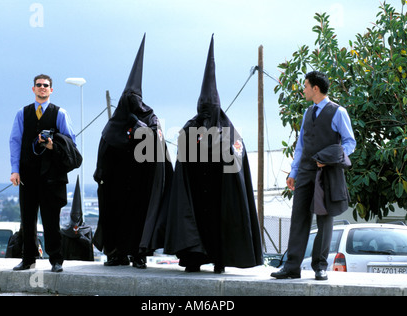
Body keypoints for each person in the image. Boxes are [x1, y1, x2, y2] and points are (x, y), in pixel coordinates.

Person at [164, 35, 263, 273]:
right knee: (195, 223)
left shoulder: (229, 130)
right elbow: (182, 159)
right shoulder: (191, 127)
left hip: (220, 192)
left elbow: (237, 161)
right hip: (196, 192)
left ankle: (220, 260)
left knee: (219, 225)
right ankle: (195, 258)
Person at [93, 35, 173, 269]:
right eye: (129, 99)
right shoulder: (116, 121)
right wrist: (101, 171)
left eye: (135, 99)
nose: (132, 103)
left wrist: (145, 130)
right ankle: (116, 254)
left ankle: (139, 254)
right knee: (114, 217)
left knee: (140, 218)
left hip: (142, 181)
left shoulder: (151, 118)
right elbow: (105, 145)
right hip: (117, 182)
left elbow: (158, 145)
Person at [271, 71, 356, 280]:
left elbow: (349, 143)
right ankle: (292, 267)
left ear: (315, 89)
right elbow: (300, 145)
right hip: (306, 172)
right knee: (298, 217)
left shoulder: (339, 112)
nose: (304, 90)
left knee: (325, 220)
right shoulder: (307, 113)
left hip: (328, 174)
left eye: (306, 86)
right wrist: (293, 171)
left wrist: (330, 157)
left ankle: (320, 266)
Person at [9, 74, 78, 273]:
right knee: (27, 219)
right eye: (38, 85)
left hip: (52, 176)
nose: (42, 88)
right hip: (28, 174)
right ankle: (28, 258)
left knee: (51, 220)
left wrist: (52, 144)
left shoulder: (60, 114)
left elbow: (71, 144)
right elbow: (14, 141)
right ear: (33, 89)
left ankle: (56, 260)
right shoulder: (22, 113)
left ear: (51, 90)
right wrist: (15, 170)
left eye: (45, 85)